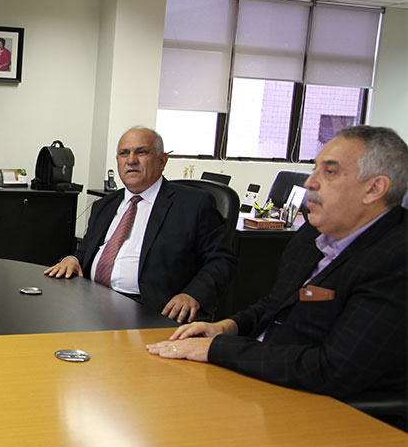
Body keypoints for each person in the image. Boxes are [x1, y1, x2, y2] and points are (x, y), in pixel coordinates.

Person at [147, 126, 407, 406]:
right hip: (266, 380)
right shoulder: (312, 235)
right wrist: (227, 327)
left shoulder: (396, 259)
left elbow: (333, 370)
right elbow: (278, 304)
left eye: (330, 172)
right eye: (315, 169)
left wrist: (217, 348)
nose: (310, 182)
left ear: (374, 189)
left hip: (326, 409)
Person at [45, 126, 235, 322]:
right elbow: (86, 250)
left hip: (151, 311)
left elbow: (221, 260)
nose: (131, 160)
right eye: (124, 153)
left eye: (141, 152)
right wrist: (73, 259)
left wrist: (193, 295)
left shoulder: (193, 204)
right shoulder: (104, 205)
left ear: (162, 161)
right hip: (91, 302)